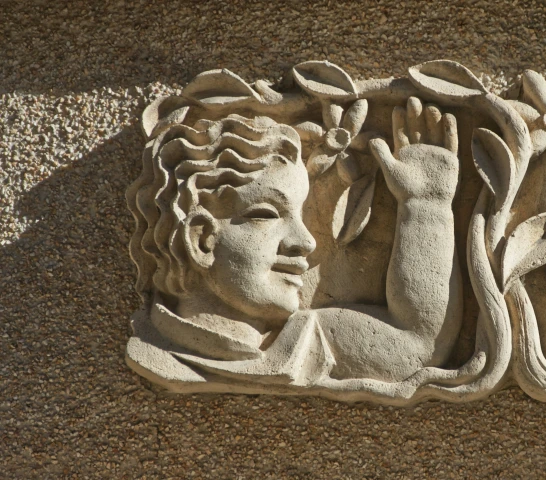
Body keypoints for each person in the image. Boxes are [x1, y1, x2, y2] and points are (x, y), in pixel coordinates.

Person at [126, 97, 463, 387]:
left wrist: (425, 207)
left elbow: (419, 345)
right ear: (201, 239)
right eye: (268, 215)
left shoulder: (307, 336)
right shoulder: (155, 350)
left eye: (302, 216)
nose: (305, 241)